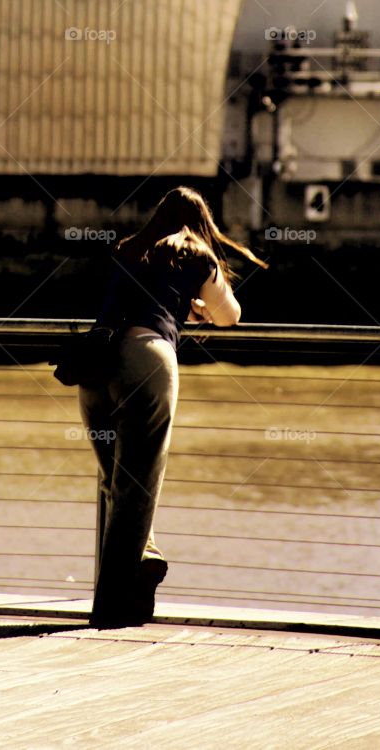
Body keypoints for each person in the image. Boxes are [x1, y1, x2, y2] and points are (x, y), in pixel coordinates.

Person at [79, 186, 263, 629]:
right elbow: (230, 316)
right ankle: (111, 611)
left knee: (116, 481)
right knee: (138, 488)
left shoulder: (128, 248)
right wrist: (198, 307)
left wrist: (186, 304)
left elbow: (134, 299)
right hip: (148, 357)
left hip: (94, 366)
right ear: (203, 222)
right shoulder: (195, 253)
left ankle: (144, 559)